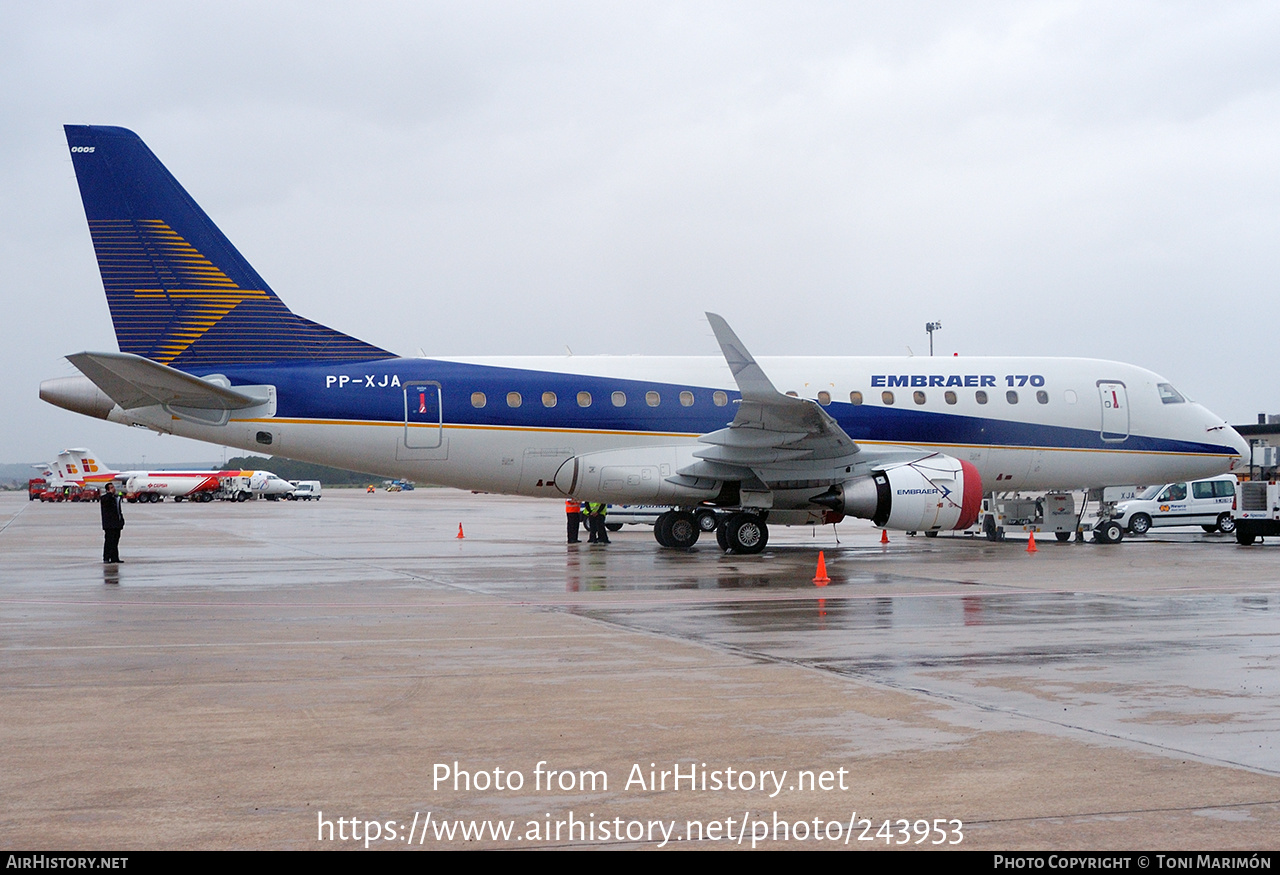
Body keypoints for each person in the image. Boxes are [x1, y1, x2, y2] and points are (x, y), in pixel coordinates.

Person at [100, 482, 125, 563]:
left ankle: (115, 557)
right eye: (111, 487)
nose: (113, 488)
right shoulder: (105, 498)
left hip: (117, 524)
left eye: (113, 487)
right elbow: (106, 501)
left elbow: (118, 510)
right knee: (109, 541)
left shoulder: (116, 498)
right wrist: (110, 494)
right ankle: (106, 557)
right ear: (107, 490)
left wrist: (121, 520)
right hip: (109, 524)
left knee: (115, 542)